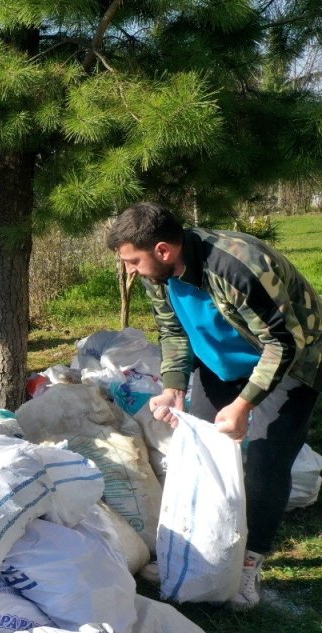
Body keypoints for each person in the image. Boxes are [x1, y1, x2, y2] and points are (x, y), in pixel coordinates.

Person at [107, 202, 322, 610]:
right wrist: (173, 386)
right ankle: (202, 553)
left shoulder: (240, 267)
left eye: (133, 260)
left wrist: (244, 405)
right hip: (221, 362)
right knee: (202, 454)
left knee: (265, 459)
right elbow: (173, 331)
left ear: (163, 249)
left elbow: (285, 343)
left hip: (292, 363)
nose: (130, 270)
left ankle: (247, 564)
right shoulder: (160, 274)